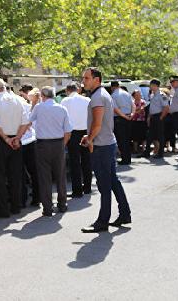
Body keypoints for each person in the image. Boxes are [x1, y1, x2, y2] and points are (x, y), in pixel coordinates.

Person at [80, 68, 131, 233]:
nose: (84, 81)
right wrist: (90, 137)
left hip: (102, 147)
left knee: (105, 185)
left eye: (87, 78)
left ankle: (103, 222)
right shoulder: (102, 94)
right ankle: (124, 214)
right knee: (112, 182)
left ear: (97, 79)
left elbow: (97, 124)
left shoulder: (98, 97)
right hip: (106, 144)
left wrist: (89, 139)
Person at [0, 78, 30, 218]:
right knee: (15, 175)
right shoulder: (18, 100)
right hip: (15, 141)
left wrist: (6, 139)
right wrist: (17, 138)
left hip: (0, 141)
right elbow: (25, 122)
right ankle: (16, 206)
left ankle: (3, 208)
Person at [29, 87, 72, 216]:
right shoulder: (62, 108)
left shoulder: (38, 107)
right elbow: (68, 131)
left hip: (43, 144)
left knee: (44, 177)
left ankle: (47, 208)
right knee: (60, 175)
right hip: (58, 143)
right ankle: (62, 204)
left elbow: (29, 120)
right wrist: (62, 144)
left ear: (42, 95)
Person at [61, 82, 92, 197]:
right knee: (86, 160)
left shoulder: (64, 101)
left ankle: (77, 190)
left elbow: (63, 119)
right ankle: (88, 187)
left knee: (75, 162)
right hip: (86, 132)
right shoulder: (87, 100)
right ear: (78, 90)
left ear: (67, 91)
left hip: (72, 133)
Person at [18, 85, 40, 208]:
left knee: (23, 172)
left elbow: (28, 124)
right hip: (31, 140)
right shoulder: (28, 107)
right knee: (33, 171)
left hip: (25, 140)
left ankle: (24, 199)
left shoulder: (27, 107)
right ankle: (36, 197)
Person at [142, 79, 169, 159]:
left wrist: (161, 117)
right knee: (149, 135)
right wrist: (149, 117)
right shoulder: (152, 95)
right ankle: (147, 152)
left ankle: (160, 153)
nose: (150, 87)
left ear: (155, 85)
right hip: (153, 117)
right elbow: (152, 107)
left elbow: (166, 107)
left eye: (151, 85)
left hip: (159, 116)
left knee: (160, 135)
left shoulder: (162, 95)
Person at [110, 81, 134, 165]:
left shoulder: (113, 95)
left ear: (112, 87)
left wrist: (124, 116)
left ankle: (125, 159)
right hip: (129, 117)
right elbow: (133, 105)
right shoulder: (127, 94)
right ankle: (128, 158)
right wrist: (132, 114)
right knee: (127, 139)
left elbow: (115, 109)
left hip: (119, 119)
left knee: (121, 140)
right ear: (119, 86)